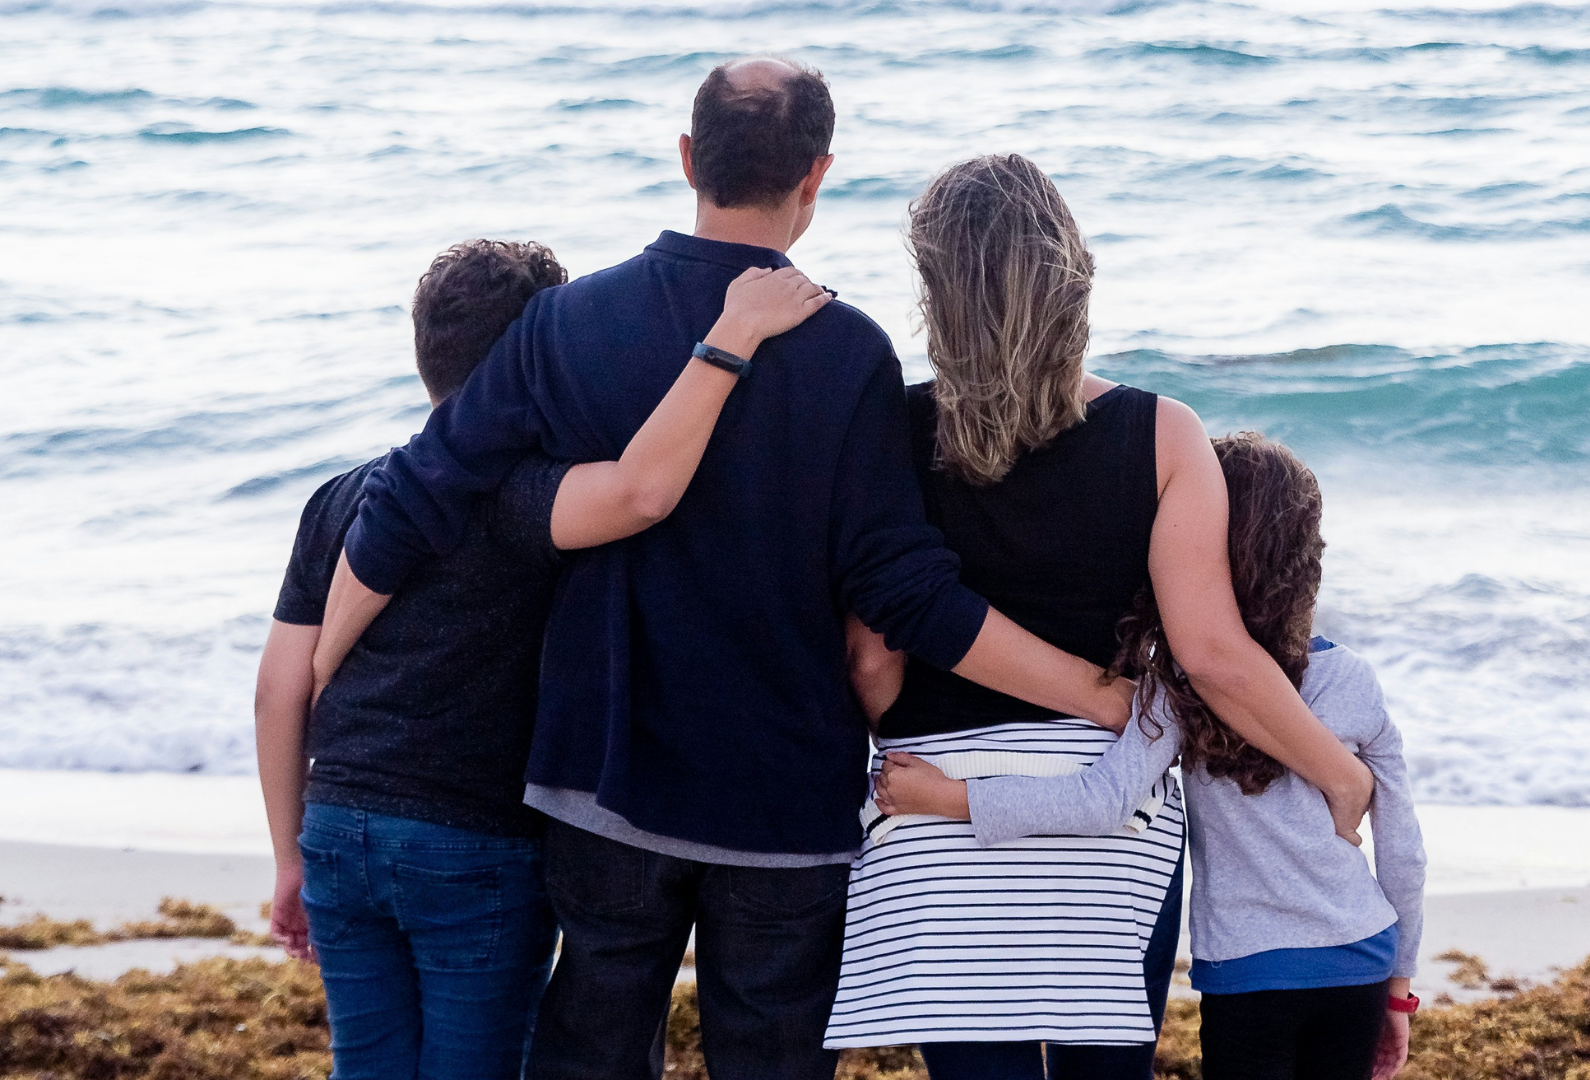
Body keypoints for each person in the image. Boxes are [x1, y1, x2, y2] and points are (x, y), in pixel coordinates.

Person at [312, 58, 1147, 1080]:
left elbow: (420, 494)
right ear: (818, 175)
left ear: (686, 158)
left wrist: (321, 670)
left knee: (593, 1053)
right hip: (782, 800)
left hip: (601, 778)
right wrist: (1102, 699)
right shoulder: (849, 353)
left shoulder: (568, 324)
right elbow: (905, 592)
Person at [821, 155, 1379, 1080]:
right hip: (1107, 814)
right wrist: (1338, 775)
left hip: (939, 809)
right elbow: (1213, 655)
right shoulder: (1163, 432)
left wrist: (899, 730)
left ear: (935, 290)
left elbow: (872, 655)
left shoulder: (889, 428)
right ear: (1072, 274)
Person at [255, 238, 830, 1079]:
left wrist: (288, 856)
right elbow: (642, 489)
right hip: (474, 842)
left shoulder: (341, 498)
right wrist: (731, 341)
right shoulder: (524, 499)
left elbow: (278, 693)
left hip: (339, 827)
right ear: (540, 356)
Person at [878, 433, 1428, 1080]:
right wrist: (1400, 990)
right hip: (1361, 958)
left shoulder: (1179, 682)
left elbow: (1102, 801)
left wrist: (948, 797)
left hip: (1248, 973)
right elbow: (1404, 852)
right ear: (1306, 554)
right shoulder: (1354, 679)